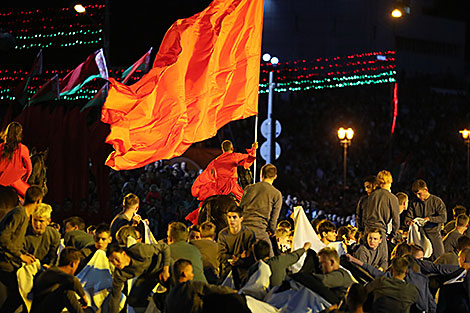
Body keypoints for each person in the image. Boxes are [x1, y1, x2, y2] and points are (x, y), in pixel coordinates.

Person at [0, 185, 43, 312]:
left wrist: (25, 254)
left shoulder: (21, 213)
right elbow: (3, 238)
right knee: (22, 291)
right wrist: (20, 256)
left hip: (10, 259)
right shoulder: (19, 214)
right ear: (38, 201)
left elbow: (14, 241)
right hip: (5, 261)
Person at [106, 242, 170, 313]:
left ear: (123, 254)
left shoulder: (139, 250)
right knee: (133, 300)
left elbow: (165, 247)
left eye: (116, 259)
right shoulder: (119, 273)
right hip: (149, 275)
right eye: (112, 261)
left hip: (163, 266)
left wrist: (165, 269)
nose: (115, 263)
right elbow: (115, 297)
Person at [165, 259, 247, 313]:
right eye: (191, 272)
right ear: (185, 274)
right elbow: (216, 290)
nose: (193, 275)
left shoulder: (170, 295)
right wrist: (234, 292)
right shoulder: (192, 286)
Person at [191, 140, 258, 203]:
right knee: (243, 200)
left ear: (222, 149)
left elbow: (207, 173)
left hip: (219, 186)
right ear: (232, 148)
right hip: (231, 184)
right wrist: (254, 149)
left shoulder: (216, 161)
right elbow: (249, 158)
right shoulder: (234, 156)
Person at [240, 163, 282, 256]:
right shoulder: (276, 194)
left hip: (242, 230)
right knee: (269, 260)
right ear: (275, 176)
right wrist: (272, 230)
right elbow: (274, 219)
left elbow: (240, 207)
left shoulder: (249, 188)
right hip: (259, 231)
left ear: (261, 175)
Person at [30, 247, 89, 313]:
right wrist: (84, 297)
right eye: (77, 264)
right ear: (73, 264)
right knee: (67, 292)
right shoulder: (53, 272)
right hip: (40, 310)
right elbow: (73, 280)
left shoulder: (55, 273)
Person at [363, 170, 400, 263]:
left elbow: (364, 214)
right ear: (390, 181)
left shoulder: (371, 196)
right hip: (380, 232)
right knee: (382, 261)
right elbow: (396, 220)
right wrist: (392, 235)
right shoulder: (392, 198)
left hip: (367, 231)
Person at [404, 179, 447, 260]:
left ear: (426, 190)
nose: (418, 196)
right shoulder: (414, 203)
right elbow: (407, 218)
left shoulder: (436, 201)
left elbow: (443, 218)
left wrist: (429, 219)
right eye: (416, 194)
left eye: (419, 194)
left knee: (439, 259)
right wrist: (409, 222)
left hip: (434, 235)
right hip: (419, 236)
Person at [217, 206, 255, 289]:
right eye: (229, 217)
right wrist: (235, 258)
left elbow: (252, 256)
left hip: (244, 269)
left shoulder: (249, 234)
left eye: (234, 217)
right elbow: (220, 255)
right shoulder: (223, 234)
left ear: (241, 218)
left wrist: (239, 260)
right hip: (229, 268)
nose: (231, 220)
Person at [0, 122, 32, 197]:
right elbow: (29, 169)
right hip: (15, 181)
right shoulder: (23, 148)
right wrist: (24, 181)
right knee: (31, 198)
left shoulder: (0, 147)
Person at [24, 203, 60, 268]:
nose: (37, 224)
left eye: (41, 221)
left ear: (48, 221)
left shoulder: (54, 234)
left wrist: (50, 266)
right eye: (35, 220)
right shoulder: (23, 232)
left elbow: (53, 256)